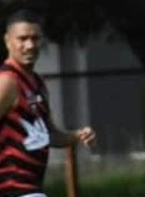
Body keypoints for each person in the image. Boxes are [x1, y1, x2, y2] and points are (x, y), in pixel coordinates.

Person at [0, 10, 96, 197]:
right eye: (22, 38)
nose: (29, 45)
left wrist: (77, 136)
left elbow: (48, 134)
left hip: (30, 188)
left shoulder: (38, 84)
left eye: (35, 38)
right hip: (11, 188)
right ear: (7, 41)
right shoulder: (7, 82)